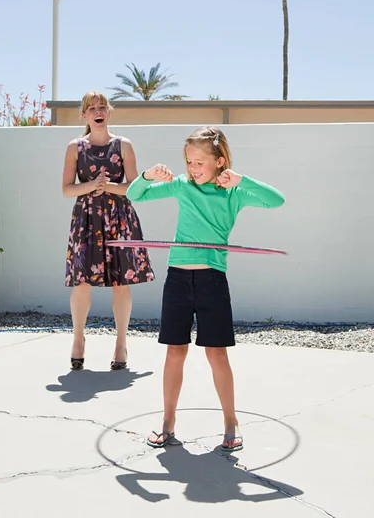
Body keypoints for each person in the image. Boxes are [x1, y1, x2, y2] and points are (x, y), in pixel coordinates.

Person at [127, 126, 285, 450]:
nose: (193, 168)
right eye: (189, 161)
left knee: (217, 353)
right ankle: (168, 423)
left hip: (212, 279)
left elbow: (276, 200)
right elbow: (135, 195)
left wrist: (242, 180)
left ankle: (231, 422)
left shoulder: (233, 192)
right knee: (175, 351)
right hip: (178, 279)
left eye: (200, 161)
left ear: (220, 161)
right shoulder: (182, 186)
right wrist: (148, 175)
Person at [62, 91, 154, 371]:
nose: (98, 111)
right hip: (86, 220)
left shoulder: (123, 145)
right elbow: (67, 190)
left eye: (102, 106)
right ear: (84, 115)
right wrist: (92, 186)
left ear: (109, 112)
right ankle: (78, 340)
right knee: (81, 282)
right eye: (92, 108)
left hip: (119, 218)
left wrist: (110, 187)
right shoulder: (74, 147)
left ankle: (121, 344)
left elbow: (136, 188)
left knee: (120, 282)